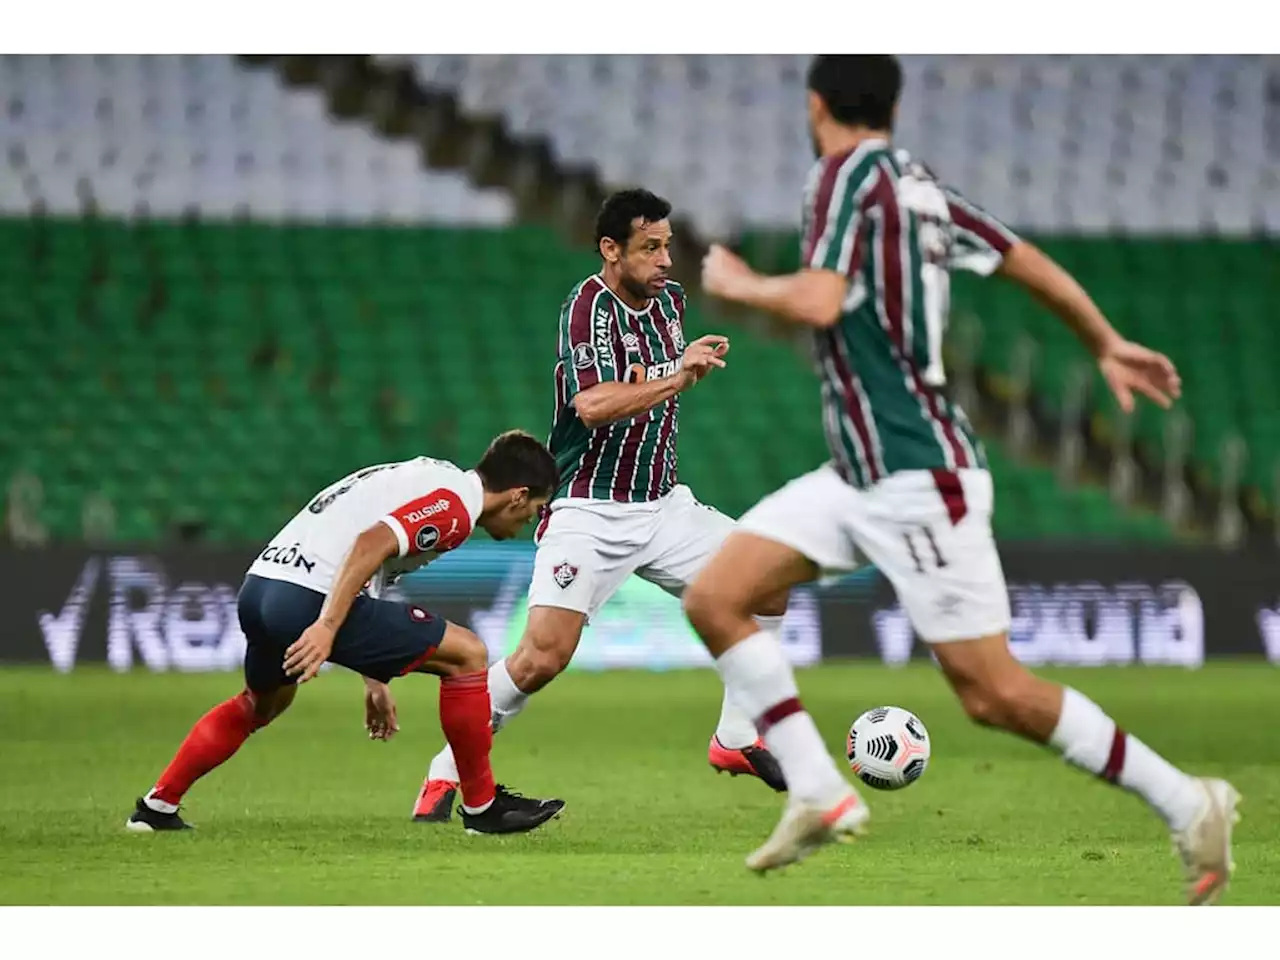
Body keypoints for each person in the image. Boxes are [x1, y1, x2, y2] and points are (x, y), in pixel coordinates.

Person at [685, 54, 1241, 903]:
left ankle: (1187, 800)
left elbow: (824, 301)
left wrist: (741, 283)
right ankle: (817, 790)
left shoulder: (842, 176)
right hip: (861, 472)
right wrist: (1101, 339)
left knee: (994, 694)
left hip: (915, 473)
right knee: (717, 595)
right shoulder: (917, 187)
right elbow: (1020, 258)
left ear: (816, 104)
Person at [412, 189, 791, 822]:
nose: (667, 260)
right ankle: (445, 771)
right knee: (540, 659)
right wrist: (678, 374)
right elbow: (590, 406)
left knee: (771, 578)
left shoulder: (670, 302)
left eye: (669, 245)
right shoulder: (587, 308)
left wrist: (676, 367)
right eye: (651, 247)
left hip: (665, 506)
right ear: (611, 250)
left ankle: (736, 738)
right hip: (589, 509)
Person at [126, 430, 566, 837]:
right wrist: (326, 626)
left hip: (261, 587)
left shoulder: (427, 477)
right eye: (533, 510)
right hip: (306, 597)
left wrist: (374, 675)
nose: (528, 521)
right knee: (468, 655)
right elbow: (368, 545)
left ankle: (156, 808)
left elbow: (368, 565)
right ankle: (482, 808)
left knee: (261, 703)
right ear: (517, 495)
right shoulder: (453, 508)